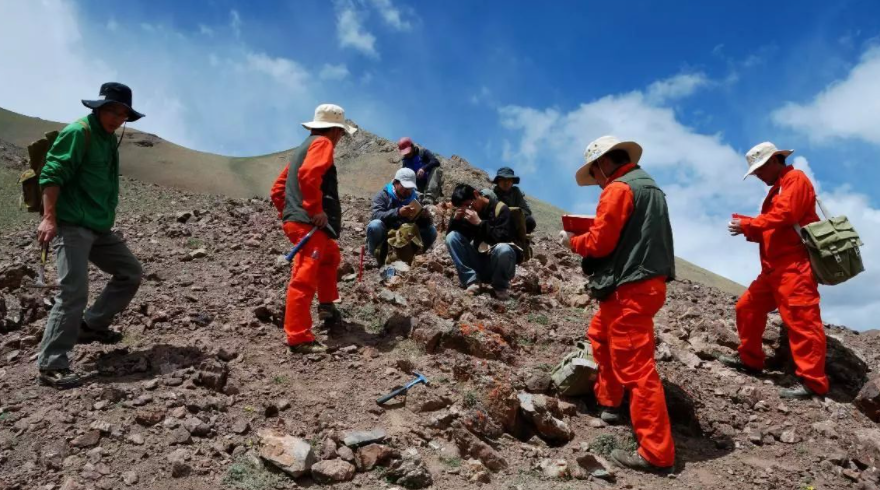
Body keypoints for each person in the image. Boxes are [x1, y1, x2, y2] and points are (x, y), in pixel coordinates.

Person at [560, 135, 676, 473]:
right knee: (600, 335)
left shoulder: (619, 189)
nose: (596, 183)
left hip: (630, 288)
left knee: (638, 369)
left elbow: (600, 241)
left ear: (602, 164)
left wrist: (573, 242)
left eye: (595, 175)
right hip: (641, 283)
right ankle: (609, 403)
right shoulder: (649, 187)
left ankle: (657, 454)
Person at [35, 82, 146, 389]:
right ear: (98, 108)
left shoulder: (109, 138)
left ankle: (91, 326)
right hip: (70, 225)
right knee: (73, 293)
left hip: (98, 226)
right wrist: (48, 218)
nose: (116, 118)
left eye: (122, 113)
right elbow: (52, 174)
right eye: (111, 110)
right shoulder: (78, 133)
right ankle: (51, 364)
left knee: (130, 272)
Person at [721, 142, 829, 399]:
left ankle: (813, 383)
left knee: (803, 322)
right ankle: (751, 361)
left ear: (773, 161)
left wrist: (748, 225)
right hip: (774, 270)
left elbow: (785, 215)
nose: (758, 175)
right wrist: (748, 225)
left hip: (794, 268)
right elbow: (775, 228)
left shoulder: (795, 180)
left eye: (759, 169)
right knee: (746, 308)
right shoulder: (780, 187)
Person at [270, 104, 355, 354]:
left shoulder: (301, 150)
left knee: (330, 256)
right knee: (304, 277)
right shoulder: (323, 144)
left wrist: (289, 214)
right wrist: (313, 209)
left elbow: (277, 190)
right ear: (337, 132)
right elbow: (309, 175)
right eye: (341, 134)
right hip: (310, 224)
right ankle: (298, 338)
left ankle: (327, 305)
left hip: (304, 223)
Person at [445, 184, 519, 300]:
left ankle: (500, 287)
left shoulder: (501, 210)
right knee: (451, 237)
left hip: (498, 265)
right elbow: (455, 241)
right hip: (478, 262)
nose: (467, 209)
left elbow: (504, 239)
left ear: (476, 194)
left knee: (504, 249)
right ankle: (472, 281)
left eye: (468, 205)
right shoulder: (467, 215)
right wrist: (456, 221)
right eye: (462, 207)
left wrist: (480, 223)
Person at [367, 168, 438, 265]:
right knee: (374, 225)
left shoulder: (415, 198)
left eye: (410, 188)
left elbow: (420, 224)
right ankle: (376, 256)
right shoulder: (383, 195)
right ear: (396, 183)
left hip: (405, 236)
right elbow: (376, 215)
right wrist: (398, 213)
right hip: (386, 235)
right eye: (405, 187)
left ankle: (413, 258)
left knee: (431, 230)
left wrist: (424, 217)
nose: (408, 191)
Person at [398, 137, 443, 204]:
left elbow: (436, 161)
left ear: (412, 146)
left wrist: (423, 169)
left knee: (436, 169)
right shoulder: (405, 162)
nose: (407, 154)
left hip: (431, 185)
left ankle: (429, 198)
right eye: (405, 153)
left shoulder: (423, 153)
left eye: (408, 152)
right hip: (417, 189)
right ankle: (416, 198)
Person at [492, 167, 537, 233]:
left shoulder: (516, 192)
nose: (506, 182)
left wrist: (515, 213)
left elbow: (526, 210)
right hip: (499, 222)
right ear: (498, 181)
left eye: (509, 180)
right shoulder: (492, 194)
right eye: (503, 179)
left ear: (513, 182)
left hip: (515, 221)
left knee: (530, 221)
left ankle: (521, 239)